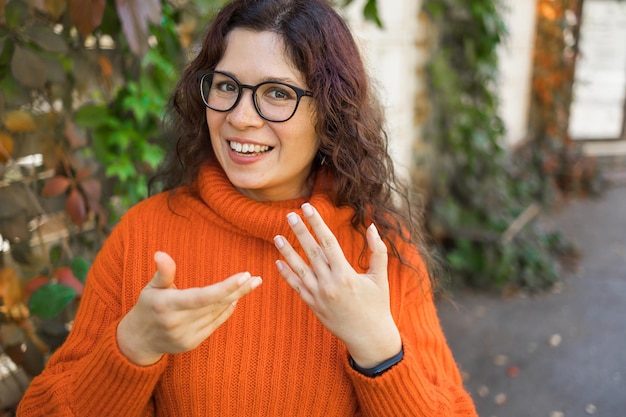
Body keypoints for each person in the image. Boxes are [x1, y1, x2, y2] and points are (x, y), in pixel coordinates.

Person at [17, 0, 477, 415]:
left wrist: (379, 349)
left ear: (331, 112)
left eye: (277, 93)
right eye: (226, 86)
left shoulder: (375, 251)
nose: (240, 116)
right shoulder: (146, 235)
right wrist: (132, 346)